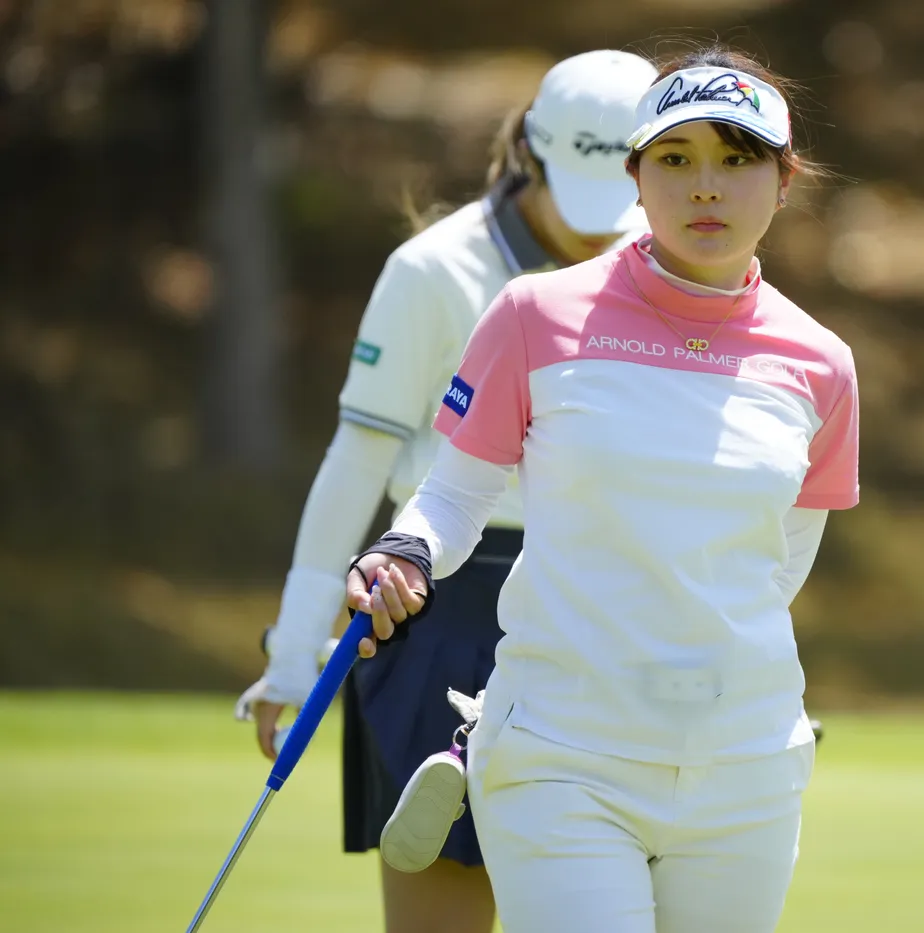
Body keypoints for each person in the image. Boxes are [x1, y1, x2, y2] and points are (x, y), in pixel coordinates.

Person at [346, 43, 859, 933]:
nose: (706, 187)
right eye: (676, 159)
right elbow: (454, 496)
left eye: (737, 159)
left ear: (784, 181)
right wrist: (406, 550)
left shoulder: (822, 363)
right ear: (636, 177)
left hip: (744, 762)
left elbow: (779, 564)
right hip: (560, 751)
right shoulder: (534, 316)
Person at [233, 49, 660, 933]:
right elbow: (359, 455)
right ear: (530, 152)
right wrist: (297, 640)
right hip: (444, 604)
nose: (599, 229)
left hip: (609, 607)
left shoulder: (663, 272)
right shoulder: (434, 269)